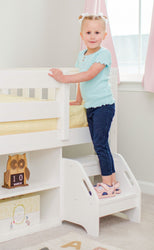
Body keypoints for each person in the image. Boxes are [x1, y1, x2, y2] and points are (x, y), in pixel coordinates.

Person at [48, 14, 119, 198]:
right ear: (82, 35)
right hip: (91, 106)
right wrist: (78, 100)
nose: (93, 36)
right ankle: (112, 183)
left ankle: (107, 183)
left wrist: (64, 79)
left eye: (97, 32)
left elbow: (88, 75)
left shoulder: (103, 54)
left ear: (104, 35)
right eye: (88, 32)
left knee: (101, 144)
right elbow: (81, 80)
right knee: (99, 144)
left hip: (104, 105)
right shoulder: (82, 55)